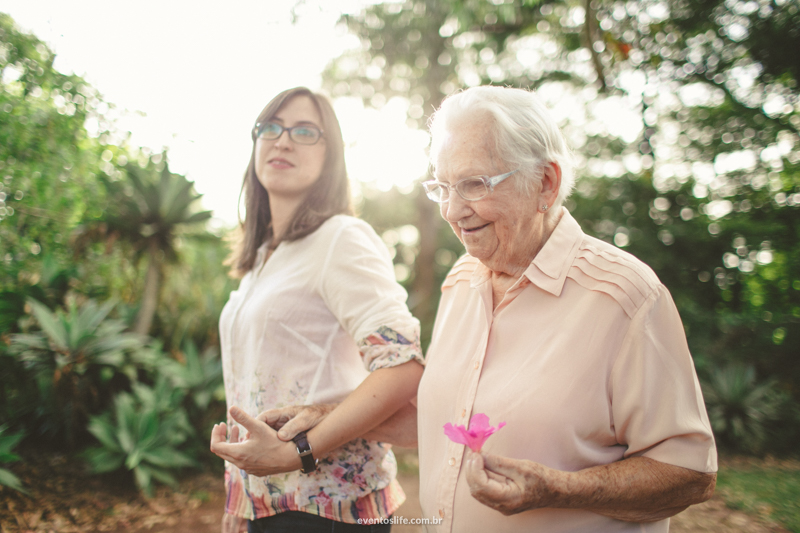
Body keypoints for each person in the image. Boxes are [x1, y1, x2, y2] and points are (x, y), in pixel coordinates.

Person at [414, 85, 717, 532]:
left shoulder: (626, 296)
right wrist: (323, 419)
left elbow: (689, 475)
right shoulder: (460, 280)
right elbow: (447, 419)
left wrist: (557, 490)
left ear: (546, 183)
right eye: (442, 186)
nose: (452, 210)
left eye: (474, 184)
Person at [208, 87, 424, 533]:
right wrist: (240, 497)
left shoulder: (341, 238)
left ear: (332, 156)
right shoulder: (263, 259)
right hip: (266, 505)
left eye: (305, 131)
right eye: (271, 127)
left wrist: (297, 452)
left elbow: (403, 367)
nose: (283, 140)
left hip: (326, 509)